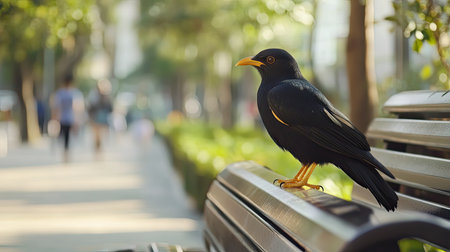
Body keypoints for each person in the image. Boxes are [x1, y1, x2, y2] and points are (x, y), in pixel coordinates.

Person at [53, 73, 82, 159]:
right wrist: (77, 120)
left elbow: (56, 107)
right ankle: (66, 153)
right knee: (67, 137)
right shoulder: (75, 93)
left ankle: (65, 153)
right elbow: (78, 108)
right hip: (70, 118)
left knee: (64, 136)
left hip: (62, 118)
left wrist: (55, 118)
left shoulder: (60, 93)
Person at [87, 79, 113, 152]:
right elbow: (90, 106)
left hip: (103, 117)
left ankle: (100, 148)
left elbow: (110, 108)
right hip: (95, 116)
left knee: (102, 134)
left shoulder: (107, 96)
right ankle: (97, 148)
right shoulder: (94, 95)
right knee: (96, 134)